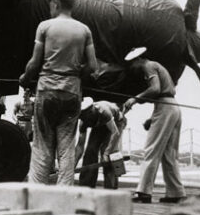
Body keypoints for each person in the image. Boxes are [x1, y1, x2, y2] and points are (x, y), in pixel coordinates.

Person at [19, 0, 97, 186]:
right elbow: (93, 67)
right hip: (72, 93)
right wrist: (76, 75)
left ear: (55, 3)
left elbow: (34, 63)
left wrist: (25, 78)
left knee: (42, 146)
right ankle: (65, 195)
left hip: (47, 91)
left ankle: (36, 193)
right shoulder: (84, 30)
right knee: (66, 149)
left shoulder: (45, 27)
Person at [123, 47, 186, 203]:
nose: (132, 68)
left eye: (132, 64)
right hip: (173, 107)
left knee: (151, 149)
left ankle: (143, 192)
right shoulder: (157, 66)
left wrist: (134, 99)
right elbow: (163, 93)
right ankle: (176, 193)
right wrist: (152, 118)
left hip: (165, 107)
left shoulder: (148, 66)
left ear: (138, 60)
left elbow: (156, 89)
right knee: (169, 153)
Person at [75, 98, 127, 189]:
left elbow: (115, 133)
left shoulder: (104, 112)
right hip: (100, 125)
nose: (85, 119)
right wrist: (72, 165)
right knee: (90, 150)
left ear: (92, 110)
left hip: (117, 122)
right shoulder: (83, 122)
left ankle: (111, 187)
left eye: (87, 116)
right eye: (82, 117)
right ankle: (86, 185)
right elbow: (80, 146)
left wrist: (107, 153)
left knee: (109, 154)